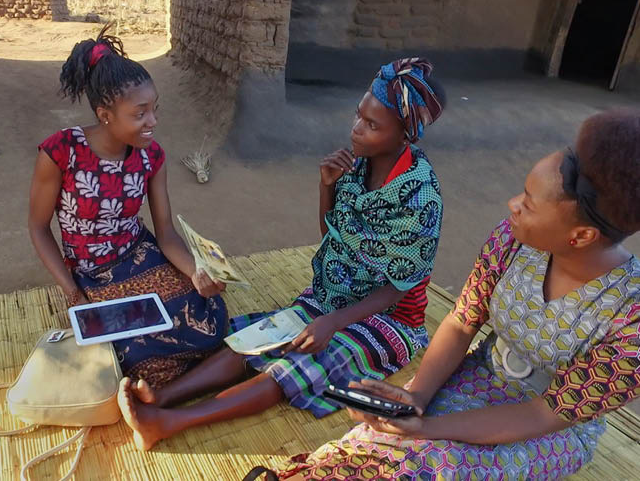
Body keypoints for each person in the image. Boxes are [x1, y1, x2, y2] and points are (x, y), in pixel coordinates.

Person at [272, 109, 640, 480]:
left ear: (581, 237)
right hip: (479, 374)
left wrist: (427, 428)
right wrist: (416, 400)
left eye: (528, 203)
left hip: (552, 424)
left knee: (443, 465)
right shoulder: (513, 241)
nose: (512, 205)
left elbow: (547, 413)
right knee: (377, 439)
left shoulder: (632, 318)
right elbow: (462, 321)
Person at [118, 58, 447, 450]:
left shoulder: (421, 196)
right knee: (252, 340)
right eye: (359, 116)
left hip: (387, 321)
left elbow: (398, 288)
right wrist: (327, 186)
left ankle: (167, 422)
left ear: (404, 135)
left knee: (292, 368)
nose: (356, 129)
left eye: (372, 126)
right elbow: (333, 237)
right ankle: (165, 397)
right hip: (330, 298)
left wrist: (332, 323)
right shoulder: (356, 165)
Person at [28, 25, 228, 387]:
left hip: (140, 255)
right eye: (140, 114)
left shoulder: (152, 157)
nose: (152, 121)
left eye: (154, 109)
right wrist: (71, 290)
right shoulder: (60, 152)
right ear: (106, 114)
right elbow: (38, 228)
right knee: (138, 356)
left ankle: (176, 382)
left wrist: (194, 272)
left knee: (209, 320)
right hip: (90, 271)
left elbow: (165, 232)